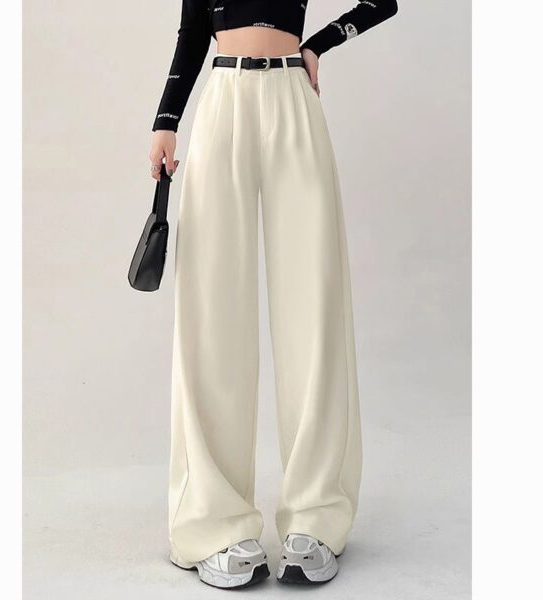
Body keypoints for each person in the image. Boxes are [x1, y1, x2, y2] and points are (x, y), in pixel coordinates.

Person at [148, 0, 398, 589]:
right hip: (223, 98)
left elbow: (383, 1)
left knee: (314, 306)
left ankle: (316, 517)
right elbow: (192, 30)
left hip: (292, 98)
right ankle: (212, 522)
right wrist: (165, 120)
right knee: (210, 310)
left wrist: (320, 43)